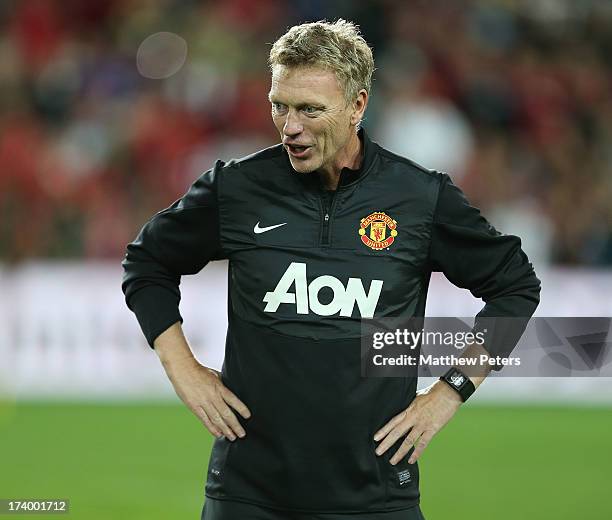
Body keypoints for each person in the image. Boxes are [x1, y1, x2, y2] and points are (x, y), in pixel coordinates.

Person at [122, 19, 540, 520]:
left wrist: (449, 391)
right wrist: (182, 368)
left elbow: (515, 287)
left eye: (309, 109)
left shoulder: (418, 198)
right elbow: (147, 262)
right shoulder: (236, 189)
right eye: (280, 105)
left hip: (376, 496)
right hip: (248, 494)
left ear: (357, 106)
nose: (290, 126)